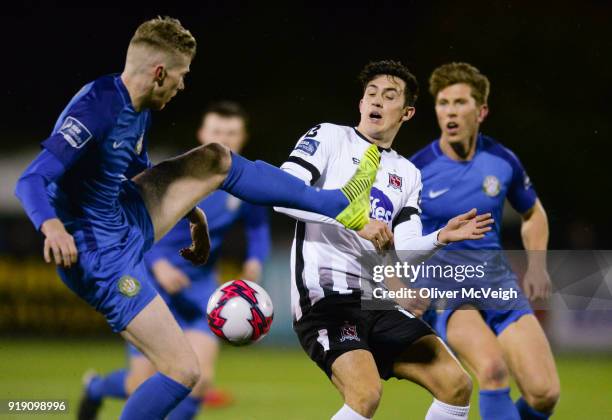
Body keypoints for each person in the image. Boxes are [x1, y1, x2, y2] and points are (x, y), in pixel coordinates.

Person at [14, 17, 379, 420]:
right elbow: (32, 178)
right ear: (159, 73)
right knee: (183, 371)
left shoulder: (137, 108)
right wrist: (50, 226)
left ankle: (337, 203)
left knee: (215, 158)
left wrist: (192, 212)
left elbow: (139, 172)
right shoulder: (97, 105)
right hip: (96, 253)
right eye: (181, 75)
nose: (183, 86)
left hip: (125, 213)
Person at [274, 60, 494, 420]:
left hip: (375, 303)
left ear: (406, 112)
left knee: (456, 384)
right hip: (325, 298)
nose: (376, 101)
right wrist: (354, 219)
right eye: (371, 94)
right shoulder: (330, 137)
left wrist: (440, 237)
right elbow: (283, 194)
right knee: (365, 394)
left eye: (388, 96)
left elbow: (401, 252)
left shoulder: (407, 173)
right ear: (361, 103)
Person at [77, 101, 267, 419]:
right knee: (141, 381)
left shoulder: (245, 183)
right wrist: (158, 263)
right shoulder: (176, 174)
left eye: (232, 133)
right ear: (202, 134)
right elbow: (132, 221)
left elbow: (257, 226)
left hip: (200, 289)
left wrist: (255, 261)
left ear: (244, 137)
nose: (225, 139)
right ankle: (96, 388)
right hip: (152, 284)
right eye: (218, 131)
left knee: (200, 380)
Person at [411, 62, 560, 419]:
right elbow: (393, 235)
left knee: (544, 394)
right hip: (448, 292)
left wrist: (537, 266)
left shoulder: (502, 160)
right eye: (443, 102)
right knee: (492, 369)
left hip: (496, 284)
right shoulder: (416, 170)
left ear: (481, 111)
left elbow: (533, 213)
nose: (450, 111)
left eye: (460, 102)